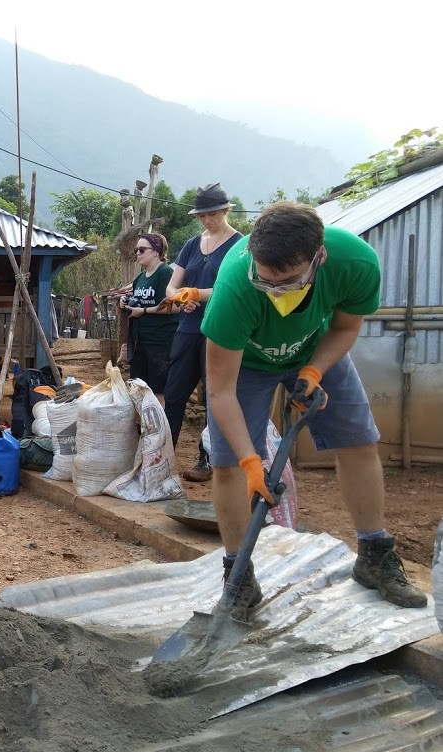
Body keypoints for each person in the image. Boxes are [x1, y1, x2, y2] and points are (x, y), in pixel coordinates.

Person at [202, 200, 426, 617]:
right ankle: (239, 579)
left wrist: (314, 369)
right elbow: (220, 393)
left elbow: (346, 326)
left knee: (359, 439)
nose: (272, 292)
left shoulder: (355, 262)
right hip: (245, 364)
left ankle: (374, 556)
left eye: (285, 283)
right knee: (228, 464)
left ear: (317, 258)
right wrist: (252, 461)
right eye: (264, 282)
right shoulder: (235, 288)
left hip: (316, 348)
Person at [163, 183, 243, 482]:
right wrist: (180, 297)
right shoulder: (191, 245)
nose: (206, 220)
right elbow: (172, 285)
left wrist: (196, 293)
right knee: (174, 394)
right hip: (187, 328)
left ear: (225, 211)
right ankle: (164, 456)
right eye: (202, 216)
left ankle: (208, 459)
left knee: (215, 396)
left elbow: (232, 288)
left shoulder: (240, 245)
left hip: (221, 331)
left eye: (211, 214)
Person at [119, 233, 180, 406]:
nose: (138, 253)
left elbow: (175, 306)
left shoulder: (165, 273)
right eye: (136, 249)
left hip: (160, 343)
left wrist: (143, 310)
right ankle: (143, 428)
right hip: (140, 342)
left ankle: (159, 430)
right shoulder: (140, 278)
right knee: (138, 388)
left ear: (156, 252)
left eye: (142, 249)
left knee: (158, 391)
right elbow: (137, 301)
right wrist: (126, 302)